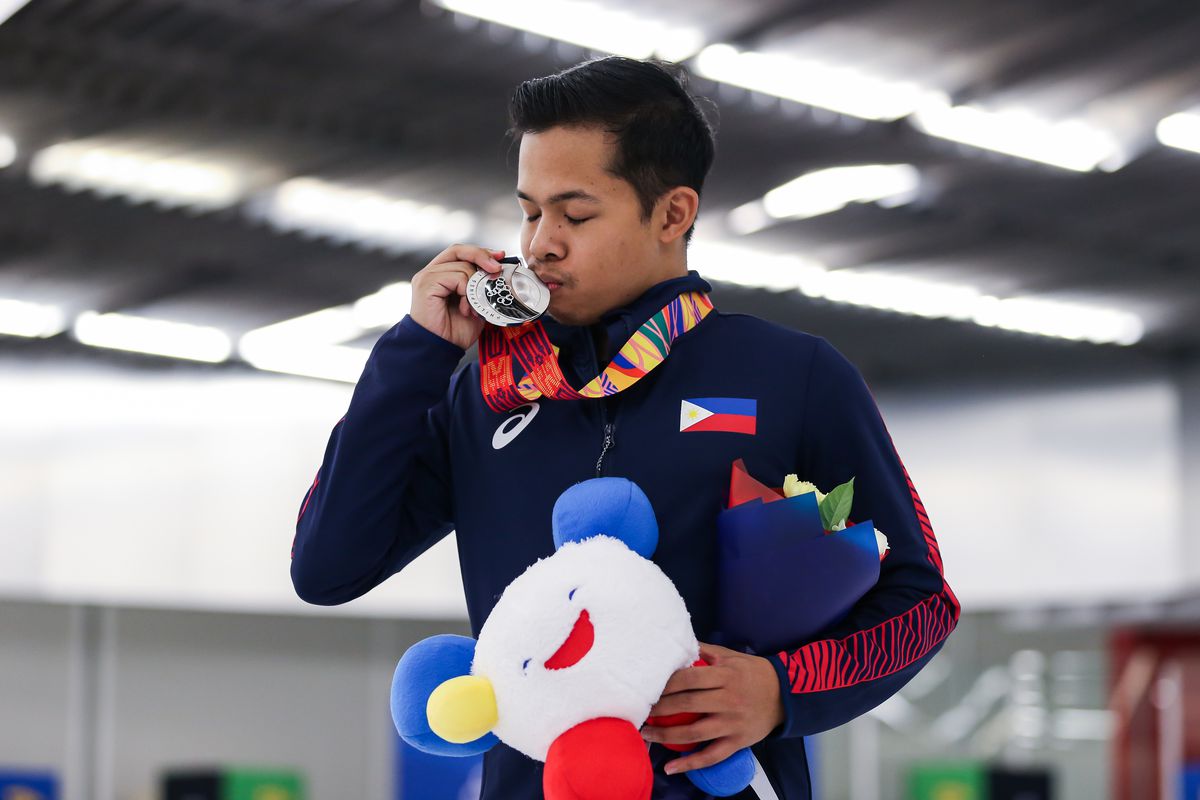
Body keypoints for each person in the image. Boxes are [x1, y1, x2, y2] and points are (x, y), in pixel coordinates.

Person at [290, 56, 960, 799]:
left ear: (672, 214)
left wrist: (781, 690)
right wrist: (415, 353)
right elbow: (327, 568)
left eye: (575, 215)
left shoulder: (790, 374)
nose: (541, 243)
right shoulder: (490, 388)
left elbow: (922, 600)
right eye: (530, 210)